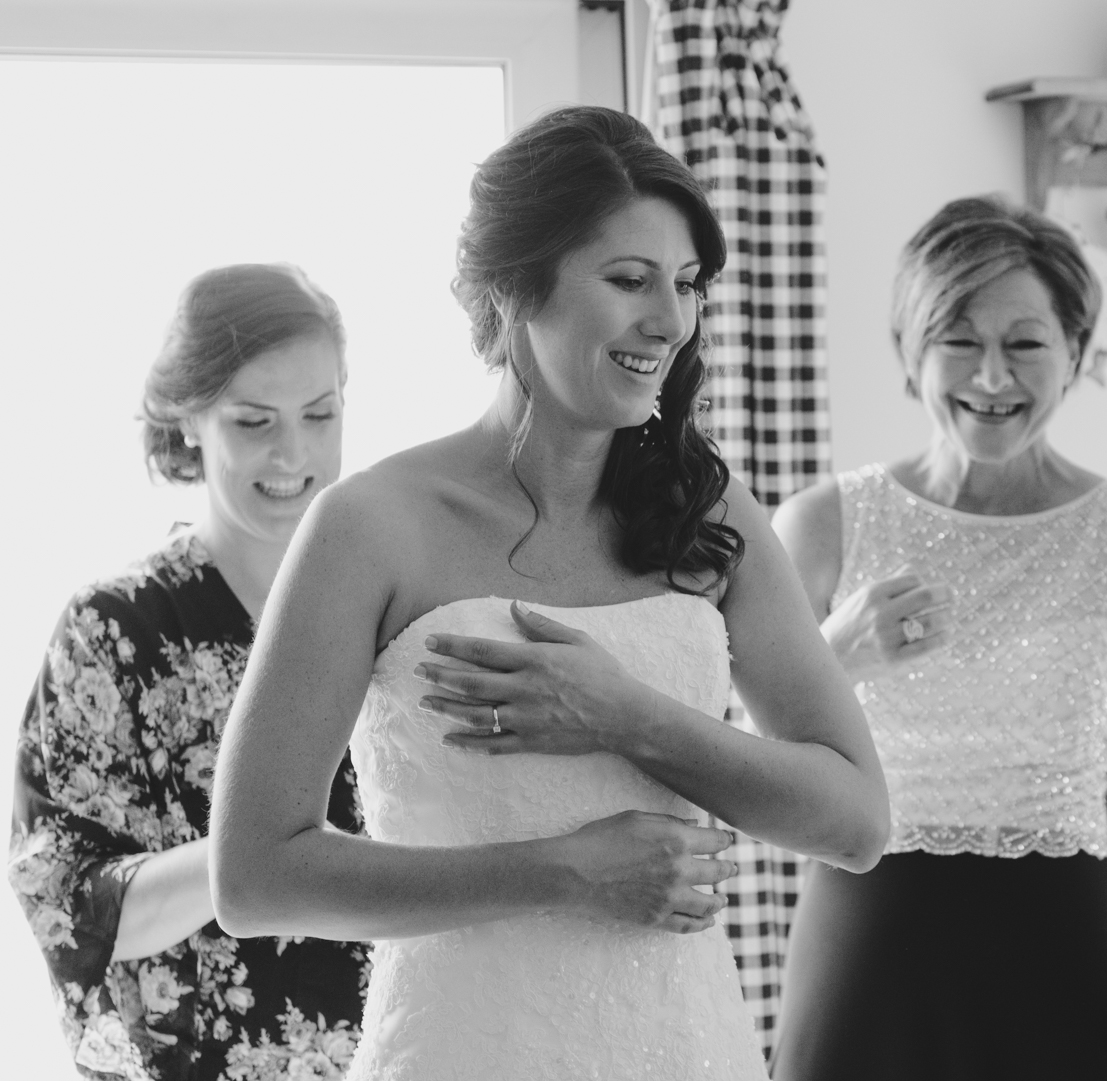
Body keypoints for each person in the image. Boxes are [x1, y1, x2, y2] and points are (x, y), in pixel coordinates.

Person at [206, 105, 889, 1081]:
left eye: (688, 285)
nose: (671, 320)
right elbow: (254, 875)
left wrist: (631, 717)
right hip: (463, 1048)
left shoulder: (710, 510)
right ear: (516, 286)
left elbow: (857, 821)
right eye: (629, 280)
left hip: (688, 1048)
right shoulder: (372, 525)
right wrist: (561, 873)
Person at [769, 195, 1107, 1080]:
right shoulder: (818, 527)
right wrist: (837, 653)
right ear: (908, 352)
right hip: (870, 941)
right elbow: (739, 773)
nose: (992, 377)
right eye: (959, 339)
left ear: (1075, 354)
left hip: (1073, 946)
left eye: (1026, 343)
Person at [8, 264, 369, 1079]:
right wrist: (268, 855)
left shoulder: (387, 610)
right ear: (190, 419)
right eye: (253, 420)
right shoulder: (114, 627)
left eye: (320, 413)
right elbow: (71, 903)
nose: (294, 451)